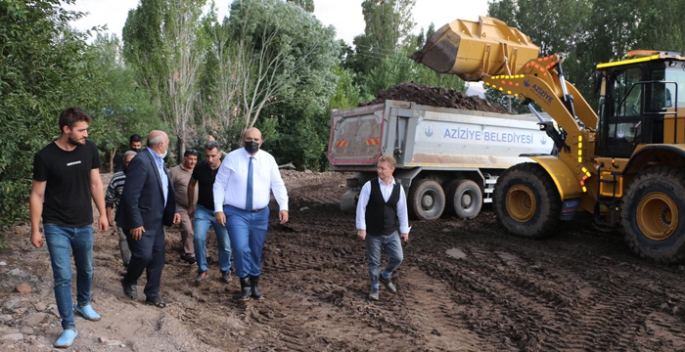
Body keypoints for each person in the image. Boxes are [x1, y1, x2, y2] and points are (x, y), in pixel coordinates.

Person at [29, 107, 109, 348]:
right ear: (66, 129)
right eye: (81, 130)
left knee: (86, 269)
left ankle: (83, 303)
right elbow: (37, 194)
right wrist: (35, 229)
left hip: (84, 222)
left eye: (86, 130)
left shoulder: (89, 148)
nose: (86, 134)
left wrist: (103, 214)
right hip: (56, 225)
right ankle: (68, 326)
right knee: (62, 276)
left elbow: (96, 184)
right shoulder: (45, 156)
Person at [213, 128, 289, 301]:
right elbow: (219, 184)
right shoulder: (232, 158)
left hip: (260, 214)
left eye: (256, 139)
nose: (252, 142)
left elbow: (277, 184)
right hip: (235, 212)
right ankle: (245, 285)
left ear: (261, 141)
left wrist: (283, 206)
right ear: (243, 139)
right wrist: (218, 208)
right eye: (249, 138)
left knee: (256, 249)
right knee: (240, 248)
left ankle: (255, 286)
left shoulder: (268, 160)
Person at [116, 130, 180, 308]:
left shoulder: (159, 162)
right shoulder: (141, 161)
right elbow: (130, 195)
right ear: (161, 145)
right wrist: (136, 222)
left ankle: (152, 294)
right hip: (141, 222)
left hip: (156, 220)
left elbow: (163, 190)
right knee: (143, 255)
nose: (168, 146)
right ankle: (129, 281)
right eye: (167, 143)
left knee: (158, 258)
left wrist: (172, 210)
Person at [355, 155, 410, 301]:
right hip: (373, 232)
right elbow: (361, 208)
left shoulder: (398, 189)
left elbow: (402, 211)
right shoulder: (369, 186)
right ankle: (375, 288)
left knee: (398, 257)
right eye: (378, 167)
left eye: (382, 168)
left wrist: (404, 230)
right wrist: (362, 228)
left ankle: (385, 276)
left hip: (391, 232)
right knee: (374, 262)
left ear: (392, 170)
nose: (379, 170)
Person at [189, 141, 232, 284]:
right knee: (198, 238)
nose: (210, 159)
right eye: (207, 156)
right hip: (203, 209)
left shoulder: (227, 168)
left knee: (225, 243)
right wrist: (191, 205)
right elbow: (192, 184)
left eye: (213, 156)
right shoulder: (200, 167)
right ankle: (202, 269)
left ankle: (226, 269)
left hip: (223, 211)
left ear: (220, 154)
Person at [105, 150, 137, 269]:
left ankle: (138, 261)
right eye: (128, 162)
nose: (131, 165)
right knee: (124, 238)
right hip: (122, 214)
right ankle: (128, 265)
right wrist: (108, 215)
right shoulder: (117, 178)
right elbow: (109, 198)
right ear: (124, 163)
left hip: (141, 214)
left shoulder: (145, 175)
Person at [168, 149, 198, 265]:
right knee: (187, 229)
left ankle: (196, 251)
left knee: (198, 231)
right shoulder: (175, 172)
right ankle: (189, 254)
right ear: (184, 158)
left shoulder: (198, 170)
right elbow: (168, 190)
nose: (193, 162)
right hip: (180, 205)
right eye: (190, 159)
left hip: (197, 206)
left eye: (195, 159)